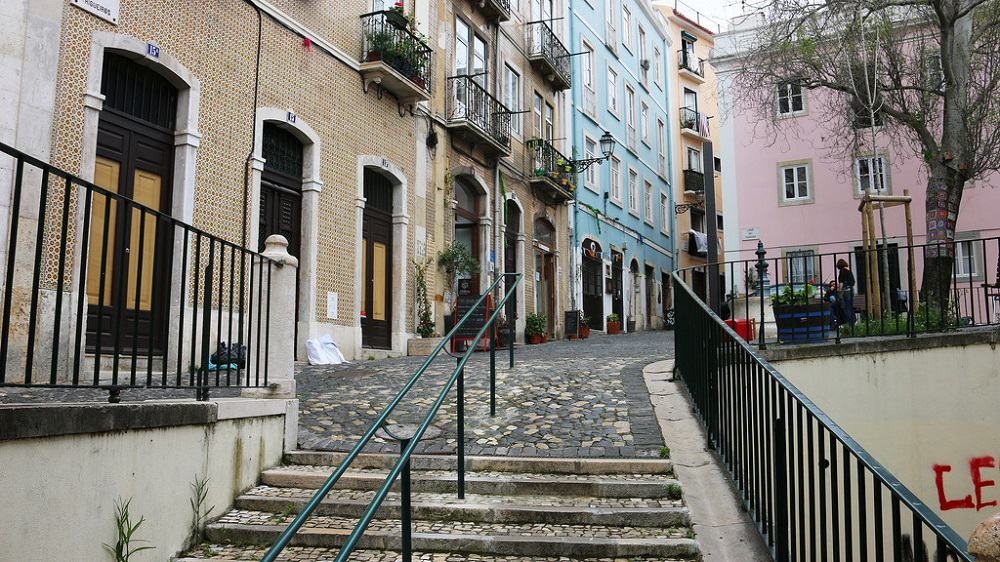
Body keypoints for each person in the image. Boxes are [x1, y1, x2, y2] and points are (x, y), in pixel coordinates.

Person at [836, 259, 856, 326]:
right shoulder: (849, 271)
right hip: (851, 290)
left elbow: (841, 282)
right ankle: (853, 323)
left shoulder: (842, 271)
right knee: (850, 307)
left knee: (845, 308)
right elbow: (853, 282)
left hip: (845, 291)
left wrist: (839, 290)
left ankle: (850, 324)